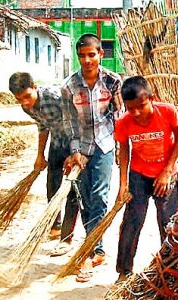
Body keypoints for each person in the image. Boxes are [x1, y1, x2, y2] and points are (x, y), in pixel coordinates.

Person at [61, 33, 123, 282]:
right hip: (81, 147)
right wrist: (75, 151)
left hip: (105, 144)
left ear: (101, 54)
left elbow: (119, 115)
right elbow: (69, 122)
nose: (87, 60)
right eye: (82, 55)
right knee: (85, 198)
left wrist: (120, 147)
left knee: (99, 196)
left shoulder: (112, 81)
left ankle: (88, 253)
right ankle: (96, 249)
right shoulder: (69, 86)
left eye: (92, 55)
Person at [114, 76, 178, 283]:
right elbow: (123, 149)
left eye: (141, 106)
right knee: (132, 222)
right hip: (139, 176)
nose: (136, 113)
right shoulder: (124, 122)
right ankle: (124, 270)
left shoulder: (167, 112)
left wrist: (167, 171)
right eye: (130, 108)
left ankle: (170, 271)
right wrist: (123, 184)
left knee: (169, 223)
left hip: (165, 174)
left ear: (151, 99)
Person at [9, 72, 79, 256]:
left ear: (34, 86)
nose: (24, 102)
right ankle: (54, 226)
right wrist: (39, 155)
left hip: (76, 142)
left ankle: (67, 238)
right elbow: (43, 126)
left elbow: (77, 121)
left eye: (26, 96)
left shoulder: (56, 97)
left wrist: (74, 153)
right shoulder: (27, 107)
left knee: (72, 190)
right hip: (57, 142)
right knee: (52, 185)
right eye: (19, 99)